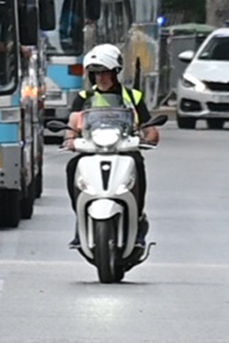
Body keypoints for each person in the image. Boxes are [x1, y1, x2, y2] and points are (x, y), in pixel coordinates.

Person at [64, 43, 160, 248]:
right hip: (92, 150)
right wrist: (70, 139)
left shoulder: (133, 97)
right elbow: (72, 126)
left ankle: (138, 221)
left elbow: (149, 128)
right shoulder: (84, 98)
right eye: (96, 73)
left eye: (105, 72)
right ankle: (80, 219)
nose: (101, 77)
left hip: (124, 149)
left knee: (137, 165)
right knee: (72, 166)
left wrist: (149, 138)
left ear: (115, 72)